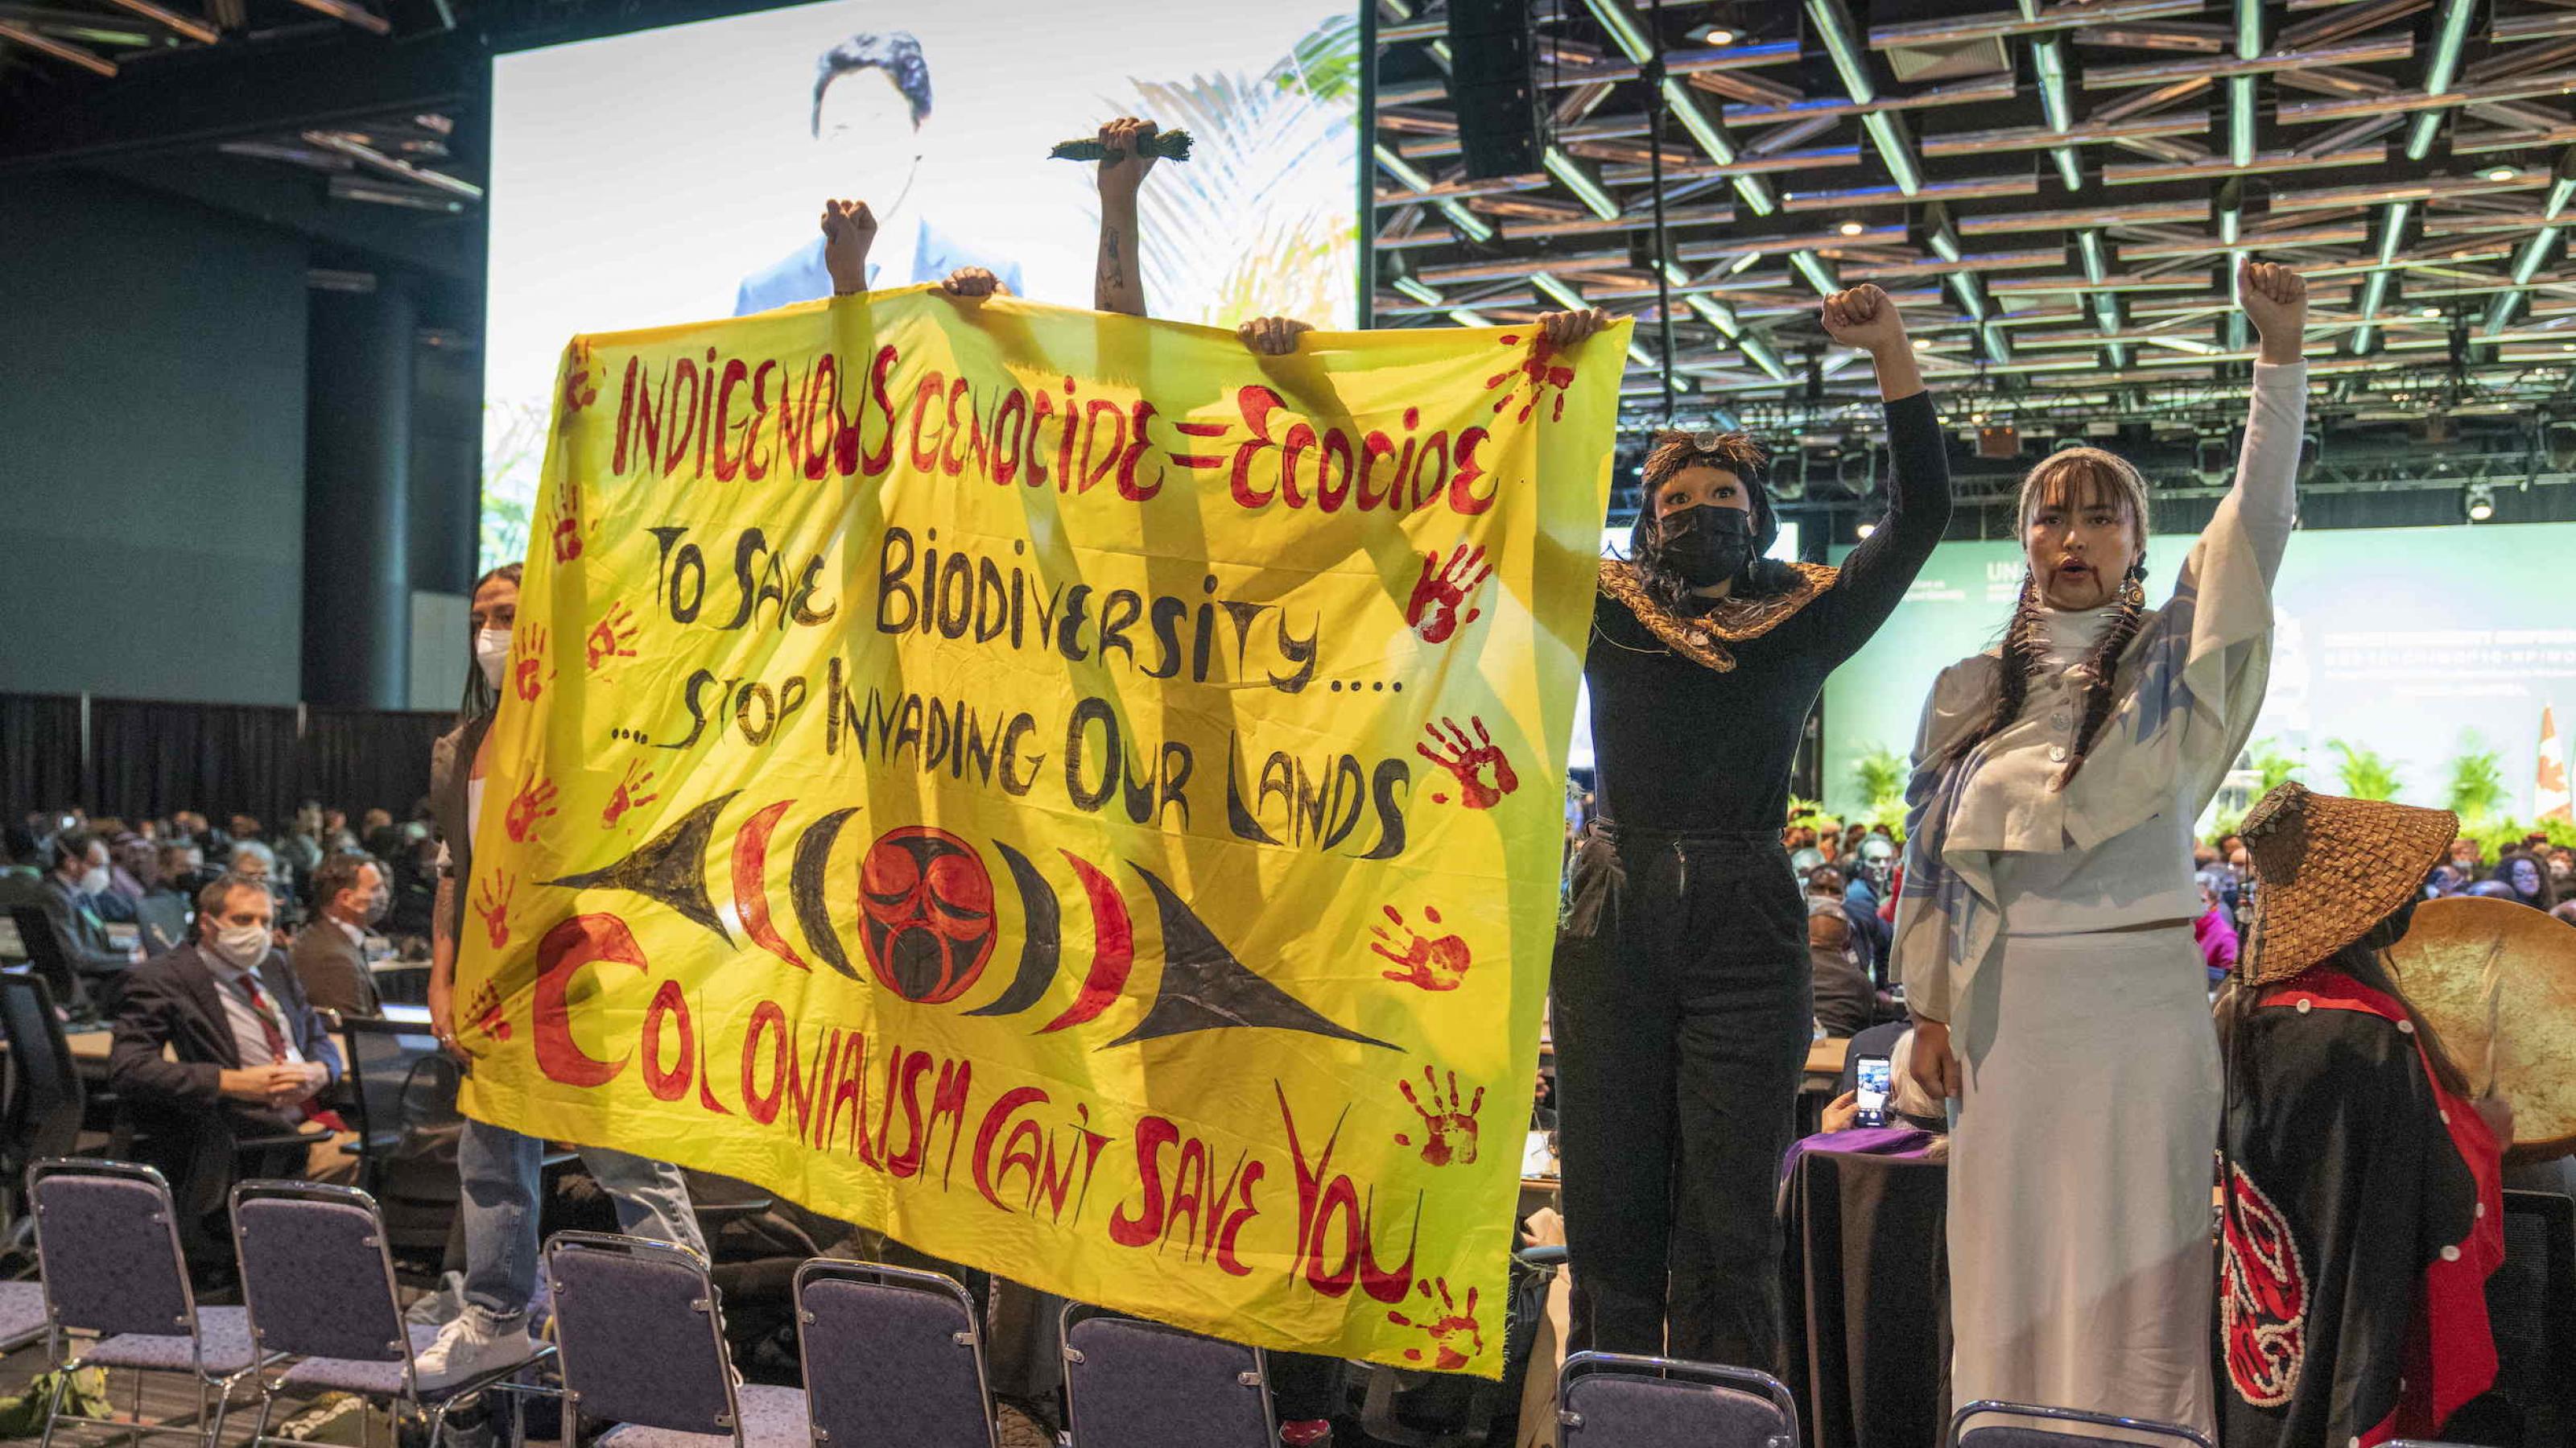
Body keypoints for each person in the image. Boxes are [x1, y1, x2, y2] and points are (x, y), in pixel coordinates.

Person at [1895, 259, 2306, 1434]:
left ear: (2138, 536)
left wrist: (2278, 356)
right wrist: (1929, 1013)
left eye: (2100, 511)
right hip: (2006, 1017)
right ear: (2024, 533)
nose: (2071, 533)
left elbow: (2259, 524)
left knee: (2146, 1270)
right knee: (2007, 1271)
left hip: (2141, 1005)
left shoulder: (2177, 662)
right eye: (2051, 511)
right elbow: (1939, 880)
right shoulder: (1965, 690)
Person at [1540, 282, 1947, 1367]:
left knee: (1730, 1223)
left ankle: (1727, 1414)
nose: (1698, 506)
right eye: (1675, 495)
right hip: (1608, 918)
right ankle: (1616, 1416)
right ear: (1646, 513)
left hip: (1747, 928)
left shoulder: (1807, 617)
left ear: (1759, 517)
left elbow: (1923, 519)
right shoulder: (1604, 603)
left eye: (1722, 491)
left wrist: (1892, 350)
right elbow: (1493, 521)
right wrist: (1555, 383)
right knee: (1610, 1209)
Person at [418, 563, 709, 1385]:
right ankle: (496, 1317)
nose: (491, 633)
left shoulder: (590, 727)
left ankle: (682, 1329)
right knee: (491, 1159)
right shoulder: (460, 747)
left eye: (508, 614)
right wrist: (442, 974)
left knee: (630, 1161)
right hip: (489, 982)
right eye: (481, 617)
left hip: (586, 975)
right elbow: (454, 869)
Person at [2217, 782, 2508, 1447]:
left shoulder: (2241, 1008)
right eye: (2405, 885)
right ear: (2364, 907)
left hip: (2263, 1308)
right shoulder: (2369, 1031)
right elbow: (2438, 1190)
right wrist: (2485, 1133)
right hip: (2354, 1305)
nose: (2413, 898)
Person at [109, 873, 358, 1252]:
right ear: (208, 924)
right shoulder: (162, 978)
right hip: (251, 1132)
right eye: (243, 920)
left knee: (402, 1141)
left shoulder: (275, 965)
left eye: (266, 922)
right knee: (387, 1161)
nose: (257, 931)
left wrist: (320, 1071)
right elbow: (130, 1068)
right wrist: (233, 1082)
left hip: (314, 1111)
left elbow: (319, 1038)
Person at [734, 30, 1022, 314]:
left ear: (919, 129)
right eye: (839, 133)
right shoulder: (765, 295)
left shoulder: (992, 281)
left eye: (878, 126)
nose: (858, 153)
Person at [36, 829, 142, 1006]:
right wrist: (131, 959)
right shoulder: (53, 897)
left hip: (97, 974)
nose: (104, 873)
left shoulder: (83, 893)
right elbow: (77, 959)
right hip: (81, 986)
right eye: (99, 866)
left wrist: (131, 949)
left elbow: (99, 936)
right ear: (71, 863)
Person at [292, 852, 389, 1018]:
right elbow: (353, 1032)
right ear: (346, 898)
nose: (384, 895)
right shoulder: (334, 959)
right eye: (376, 889)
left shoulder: (326, 935)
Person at [2194, 877, 2240, 985]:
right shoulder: (2188, 929)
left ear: (2214, 902)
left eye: (2201, 900)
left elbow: (2231, 979)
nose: (2194, 905)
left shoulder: (2225, 936)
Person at [2487, 852, 2557, 911]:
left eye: (2533, 873)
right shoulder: (2500, 910)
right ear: (2508, 879)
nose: (2530, 878)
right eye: (2520, 874)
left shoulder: (2551, 909)